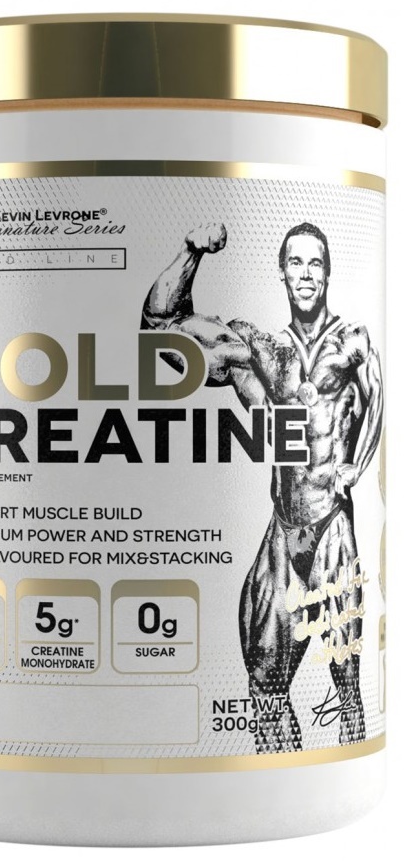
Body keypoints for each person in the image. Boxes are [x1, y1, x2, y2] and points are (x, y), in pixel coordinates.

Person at [141, 221, 383, 752]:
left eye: (315, 263)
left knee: (348, 687)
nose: (306, 273)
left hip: (331, 523)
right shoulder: (263, 352)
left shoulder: (352, 342)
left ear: (328, 272)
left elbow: (380, 401)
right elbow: (160, 331)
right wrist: (190, 252)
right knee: (264, 686)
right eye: (295, 263)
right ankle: (280, 774)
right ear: (281, 272)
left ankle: (346, 763)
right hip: (283, 528)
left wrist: (355, 466)